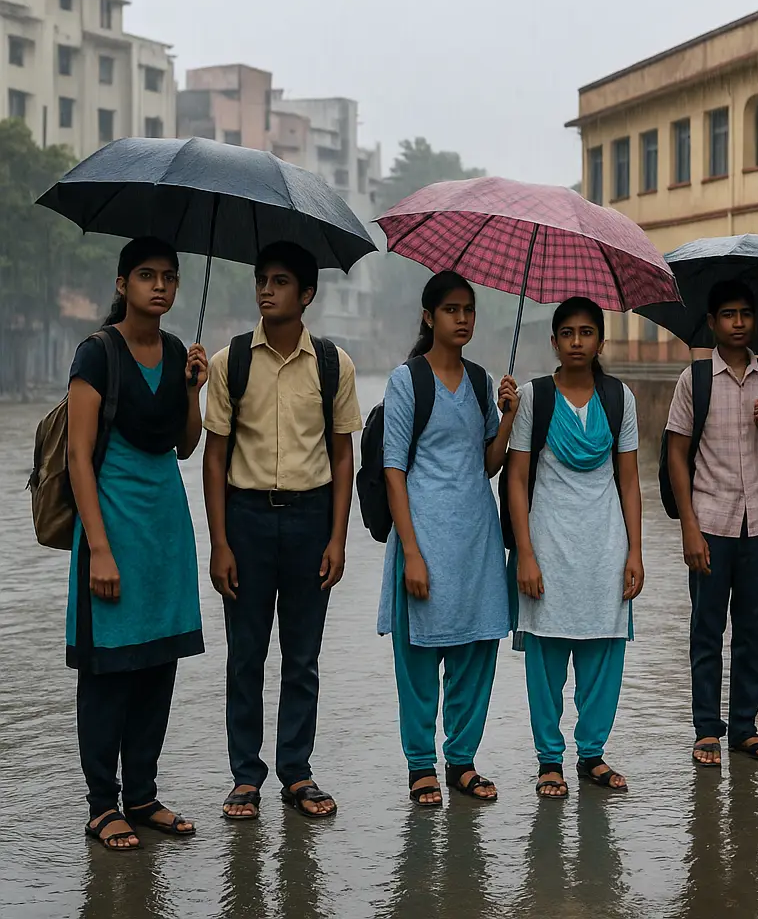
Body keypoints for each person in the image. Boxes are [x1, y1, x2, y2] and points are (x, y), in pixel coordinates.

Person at [203, 241, 363, 820]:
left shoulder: (331, 364)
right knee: (245, 655)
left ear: (307, 295)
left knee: (302, 657)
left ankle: (296, 771)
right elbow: (214, 457)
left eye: (279, 281)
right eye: (261, 279)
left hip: (309, 518)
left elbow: (344, 456)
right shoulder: (230, 363)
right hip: (244, 519)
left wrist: (338, 537)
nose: (266, 290)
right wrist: (219, 543)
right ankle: (246, 777)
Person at [68, 238, 208, 851]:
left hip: (165, 530)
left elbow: (183, 446)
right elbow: (77, 456)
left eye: (169, 278)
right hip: (113, 525)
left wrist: (194, 390)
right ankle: (103, 805)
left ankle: (142, 795)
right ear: (122, 284)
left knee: (157, 664)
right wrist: (98, 546)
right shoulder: (96, 354)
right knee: (108, 673)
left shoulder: (177, 351)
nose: (160, 287)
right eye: (146, 276)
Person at [379, 271, 520, 807]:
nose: (462, 319)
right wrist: (411, 553)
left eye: (469, 310)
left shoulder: (483, 382)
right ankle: (420, 766)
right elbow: (394, 469)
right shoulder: (406, 381)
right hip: (423, 537)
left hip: (477, 539)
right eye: (451, 310)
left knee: (475, 651)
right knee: (417, 657)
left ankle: (461, 762)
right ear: (428, 316)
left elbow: (487, 464)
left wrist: (505, 420)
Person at [506, 297, 644, 798]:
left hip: (605, 545)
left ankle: (592, 755)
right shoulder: (533, 398)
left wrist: (635, 552)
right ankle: (548, 760)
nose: (578, 342)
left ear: (600, 341)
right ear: (554, 342)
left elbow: (629, 481)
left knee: (603, 654)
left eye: (587, 332)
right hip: (546, 544)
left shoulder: (619, 398)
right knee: (545, 657)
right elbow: (516, 479)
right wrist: (524, 552)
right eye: (567, 333)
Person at [665, 279, 758, 768]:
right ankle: (707, 730)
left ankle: (745, 728)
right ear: (712, 322)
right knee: (706, 630)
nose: (738, 322)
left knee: (752, 630)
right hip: (711, 522)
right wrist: (688, 527)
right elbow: (677, 454)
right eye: (728, 314)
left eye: (745, 313)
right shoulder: (695, 380)